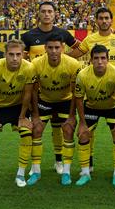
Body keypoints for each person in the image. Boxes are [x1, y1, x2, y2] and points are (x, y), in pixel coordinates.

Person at [67, 7, 115, 173]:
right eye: (101, 18)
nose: (104, 21)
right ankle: (88, 163)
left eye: (106, 18)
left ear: (111, 20)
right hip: (93, 90)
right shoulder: (90, 39)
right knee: (89, 132)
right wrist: (62, 56)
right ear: (96, 21)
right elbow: (73, 55)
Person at [21, 1, 79, 175]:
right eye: (43, 11)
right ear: (38, 14)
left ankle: (59, 161)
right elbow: (22, 58)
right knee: (36, 128)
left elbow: (81, 48)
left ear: (55, 14)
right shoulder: (28, 36)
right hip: (41, 88)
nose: (47, 14)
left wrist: (63, 59)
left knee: (59, 127)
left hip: (61, 90)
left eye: (50, 11)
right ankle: (35, 166)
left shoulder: (63, 33)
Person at [0, 39, 36, 191]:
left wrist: (22, 117)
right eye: (11, 54)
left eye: (18, 54)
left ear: (23, 54)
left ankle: (20, 174)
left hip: (18, 107)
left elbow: (27, 94)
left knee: (26, 134)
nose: (15, 58)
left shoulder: (29, 68)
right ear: (5, 54)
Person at [27, 34, 82, 186]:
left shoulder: (73, 64)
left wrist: (72, 116)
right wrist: (35, 116)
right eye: (50, 48)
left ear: (63, 48)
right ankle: (36, 171)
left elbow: (75, 93)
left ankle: (66, 171)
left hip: (65, 101)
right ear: (45, 48)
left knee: (69, 130)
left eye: (57, 47)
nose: (53, 51)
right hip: (45, 100)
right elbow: (33, 91)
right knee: (36, 129)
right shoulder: (36, 64)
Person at [74, 45, 115, 186]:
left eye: (103, 58)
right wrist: (82, 123)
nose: (100, 61)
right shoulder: (83, 75)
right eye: (96, 58)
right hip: (91, 107)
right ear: (91, 60)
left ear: (108, 60)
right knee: (84, 134)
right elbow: (79, 98)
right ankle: (85, 173)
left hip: (112, 107)